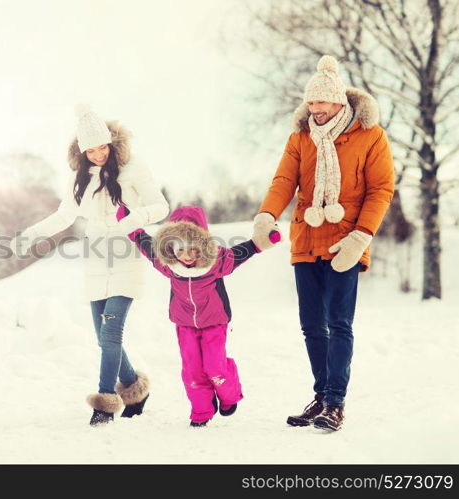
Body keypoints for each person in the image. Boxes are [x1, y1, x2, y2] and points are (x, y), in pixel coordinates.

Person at [253, 55, 395, 431]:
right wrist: (267, 215)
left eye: (322, 102)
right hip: (306, 238)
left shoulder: (370, 135)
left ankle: (335, 402)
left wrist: (361, 235)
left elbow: (381, 189)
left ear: (339, 102)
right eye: (311, 102)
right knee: (312, 325)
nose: (315, 109)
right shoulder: (300, 137)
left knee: (339, 323)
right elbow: (284, 181)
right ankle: (320, 396)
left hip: (346, 241)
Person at [10, 106, 169, 426]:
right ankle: (136, 390)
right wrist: (31, 235)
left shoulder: (133, 167)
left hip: (127, 253)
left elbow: (160, 206)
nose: (98, 155)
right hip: (96, 255)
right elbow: (65, 216)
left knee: (112, 333)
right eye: (91, 150)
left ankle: (104, 403)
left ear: (111, 144)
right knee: (103, 337)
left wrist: (138, 217)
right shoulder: (78, 178)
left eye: (102, 147)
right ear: (82, 151)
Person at [118, 204, 278, 426]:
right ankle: (202, 410)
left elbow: (243, 251)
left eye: (192, 249)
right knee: (192, 370)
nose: (186, 256)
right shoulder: (168, 265)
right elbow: (145, 243)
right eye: (179, 249)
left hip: (215, 322)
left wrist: (261, 241)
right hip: (184, 324)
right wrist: (131, 225)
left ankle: (229, 396)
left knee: (215, 367)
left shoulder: (216, 261)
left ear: (202, 245)